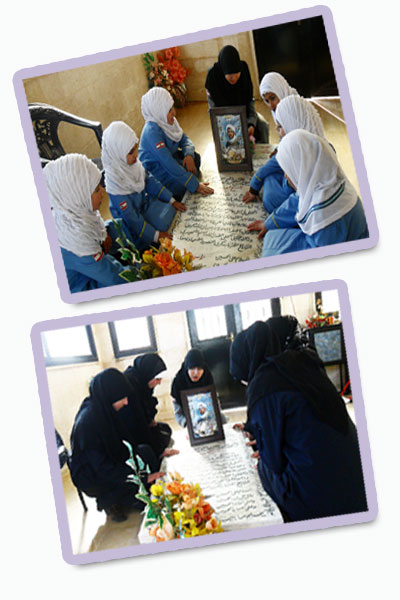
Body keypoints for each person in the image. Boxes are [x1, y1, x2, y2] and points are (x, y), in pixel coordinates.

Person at [229, 318, 368, 522]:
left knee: (263, 469)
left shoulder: (261, 383)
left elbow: (274, 462)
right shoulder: (302, 363)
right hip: (359, 480)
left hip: (321, 499)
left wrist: (263, 445)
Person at [252, 129, 369, 256]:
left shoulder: (323, 216)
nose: (285, 176)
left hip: (327, 242)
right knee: (272, 234)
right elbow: (295, 201)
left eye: (288, 171)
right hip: (330, 235)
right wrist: (268, 223)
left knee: (270, 248)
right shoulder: (325, 178)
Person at [69, 369, 165, 522]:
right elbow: (102, 468)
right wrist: (142, 478)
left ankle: (130, 493)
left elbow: (126, 443)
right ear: (110, 395)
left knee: (145, 452)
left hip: (109, 462)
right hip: (93, 476)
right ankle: (110, 501)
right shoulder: (88, 421)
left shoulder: (103, 408)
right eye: (122, 398)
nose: (126, 402)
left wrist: (156, 454)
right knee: (144, 501)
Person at [43, 153, 136, 293]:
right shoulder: (75, 240)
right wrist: (139, 272)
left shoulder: (70, 209)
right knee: (122, 283)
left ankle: (134, 254)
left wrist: (102, 235)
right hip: (82, 284)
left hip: (87, 262)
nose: (103, 191)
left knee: (116, 227)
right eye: (97, 190)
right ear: (78, 196)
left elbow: (94, 219)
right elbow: (114, 277)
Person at [102, 121, 185, 250]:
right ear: (118, 154)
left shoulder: (132, 165)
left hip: (146, 206)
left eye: (135, 148)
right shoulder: (116, 186)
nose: (136, 155)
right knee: (163, 224)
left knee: (171, 211)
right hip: (134, 226)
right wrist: (156, 236)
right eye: (131, 152)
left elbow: (150, 181)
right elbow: (132, 219)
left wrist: (172, 200)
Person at [244, 95, 325, 213]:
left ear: (292, 123)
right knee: (271, 174)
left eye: (281, 126)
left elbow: (268, 168)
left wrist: (253, 188)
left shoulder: (295, 145)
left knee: (270, 192)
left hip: (304, 201)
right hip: (302, 194)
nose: (276, 129)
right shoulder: (313, 138)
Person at [139, 87, 214, 200]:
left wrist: (188, 155)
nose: (174, 112)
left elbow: (184, 139)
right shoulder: (152, 132)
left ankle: (186, 177)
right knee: (181, 187)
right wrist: (195, 184)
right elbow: (167, 162)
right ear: (159, 111)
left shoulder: (167, 121)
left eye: (172, 107)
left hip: (171, 159)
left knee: (195, 158)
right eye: (169, 110)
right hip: (158, 171)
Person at [205, 45, 269, 143]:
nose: (234, 78)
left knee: (263, 125)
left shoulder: (244, 69)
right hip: (224, 120)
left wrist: (251, 123)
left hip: (244, 115)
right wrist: (230, 126)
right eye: (230, 75)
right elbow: (213, 111)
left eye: (237, 73)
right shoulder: (213, 77)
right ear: (223, 71)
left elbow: (250, 101)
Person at [124, 353, 173, 453]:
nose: (159, 383)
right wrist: (160, 451)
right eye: (157, 379)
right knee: (155, 445)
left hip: (141, 426)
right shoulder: (130, 387)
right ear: (149, 374)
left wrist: (150, 421)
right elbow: (139, 421)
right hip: (131, 432)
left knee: (165, 429)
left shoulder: (142, 381)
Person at [170, 349, 215, 428]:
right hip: (188, 421)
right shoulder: (178, 383)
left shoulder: (207, 378)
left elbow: (214, 404)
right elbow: (178, 414)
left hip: (208, 418)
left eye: (199, 368)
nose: (196, 372)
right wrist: (187, 425)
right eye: (192, 368)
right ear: (187, 368)